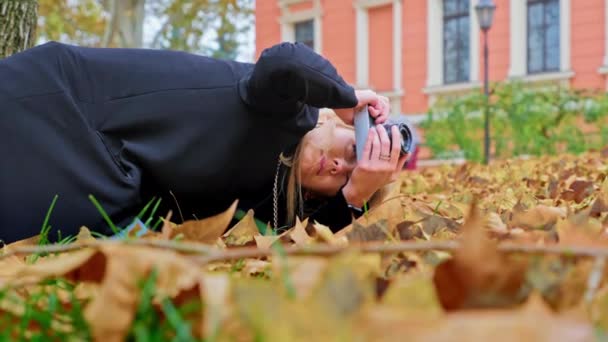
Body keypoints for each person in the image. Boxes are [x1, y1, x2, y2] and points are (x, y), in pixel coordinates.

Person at [0, 41, 408, 243]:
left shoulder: (266, 203)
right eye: (352, 151)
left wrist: (355, 195)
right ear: (334, 123)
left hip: (92, 170)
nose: (338, 166)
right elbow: (285, 63)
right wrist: (346, 98)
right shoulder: (286, 109)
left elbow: (295, 243)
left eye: (343, 178)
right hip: (59, 107)